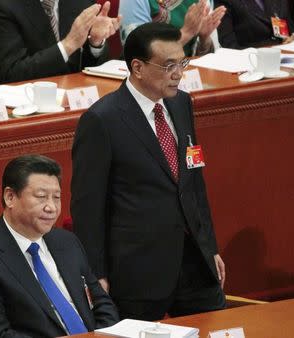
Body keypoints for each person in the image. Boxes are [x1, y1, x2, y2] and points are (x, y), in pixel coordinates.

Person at [71, 22, 226, 321]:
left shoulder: (181, 102)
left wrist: (211, 247)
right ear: (138, 67)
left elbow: (194, 182)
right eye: (168, 66)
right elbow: (87, 207)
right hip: (137, 271)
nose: (178, 73)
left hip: (193, 260)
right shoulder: (102, 120)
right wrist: (96, 274)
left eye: (181, 62)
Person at [0, 155, 119, 337]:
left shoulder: (67, 241)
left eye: (56, 197)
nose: (51, 207)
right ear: (10, 197)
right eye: (41, 197)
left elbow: (102, 303)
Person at [0, 0, 121, 86]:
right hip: (21, 108)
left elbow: (89, 70)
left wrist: (95, 43)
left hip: (75, 100)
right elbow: (11, 73)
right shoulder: (0, 4)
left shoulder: (80, 2)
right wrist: (67, 46)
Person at [119, 0, 226, 56]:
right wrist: (186, 33)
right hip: (151, 81)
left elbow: (210, 57)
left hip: (192, 75)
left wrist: (204, 38)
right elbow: (136, 52)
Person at [215, 0, 294, 49]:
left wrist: (289, 40)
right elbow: (229, 46)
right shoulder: (225, 1)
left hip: (286, 59)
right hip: (250, 65)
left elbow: (291, 32)